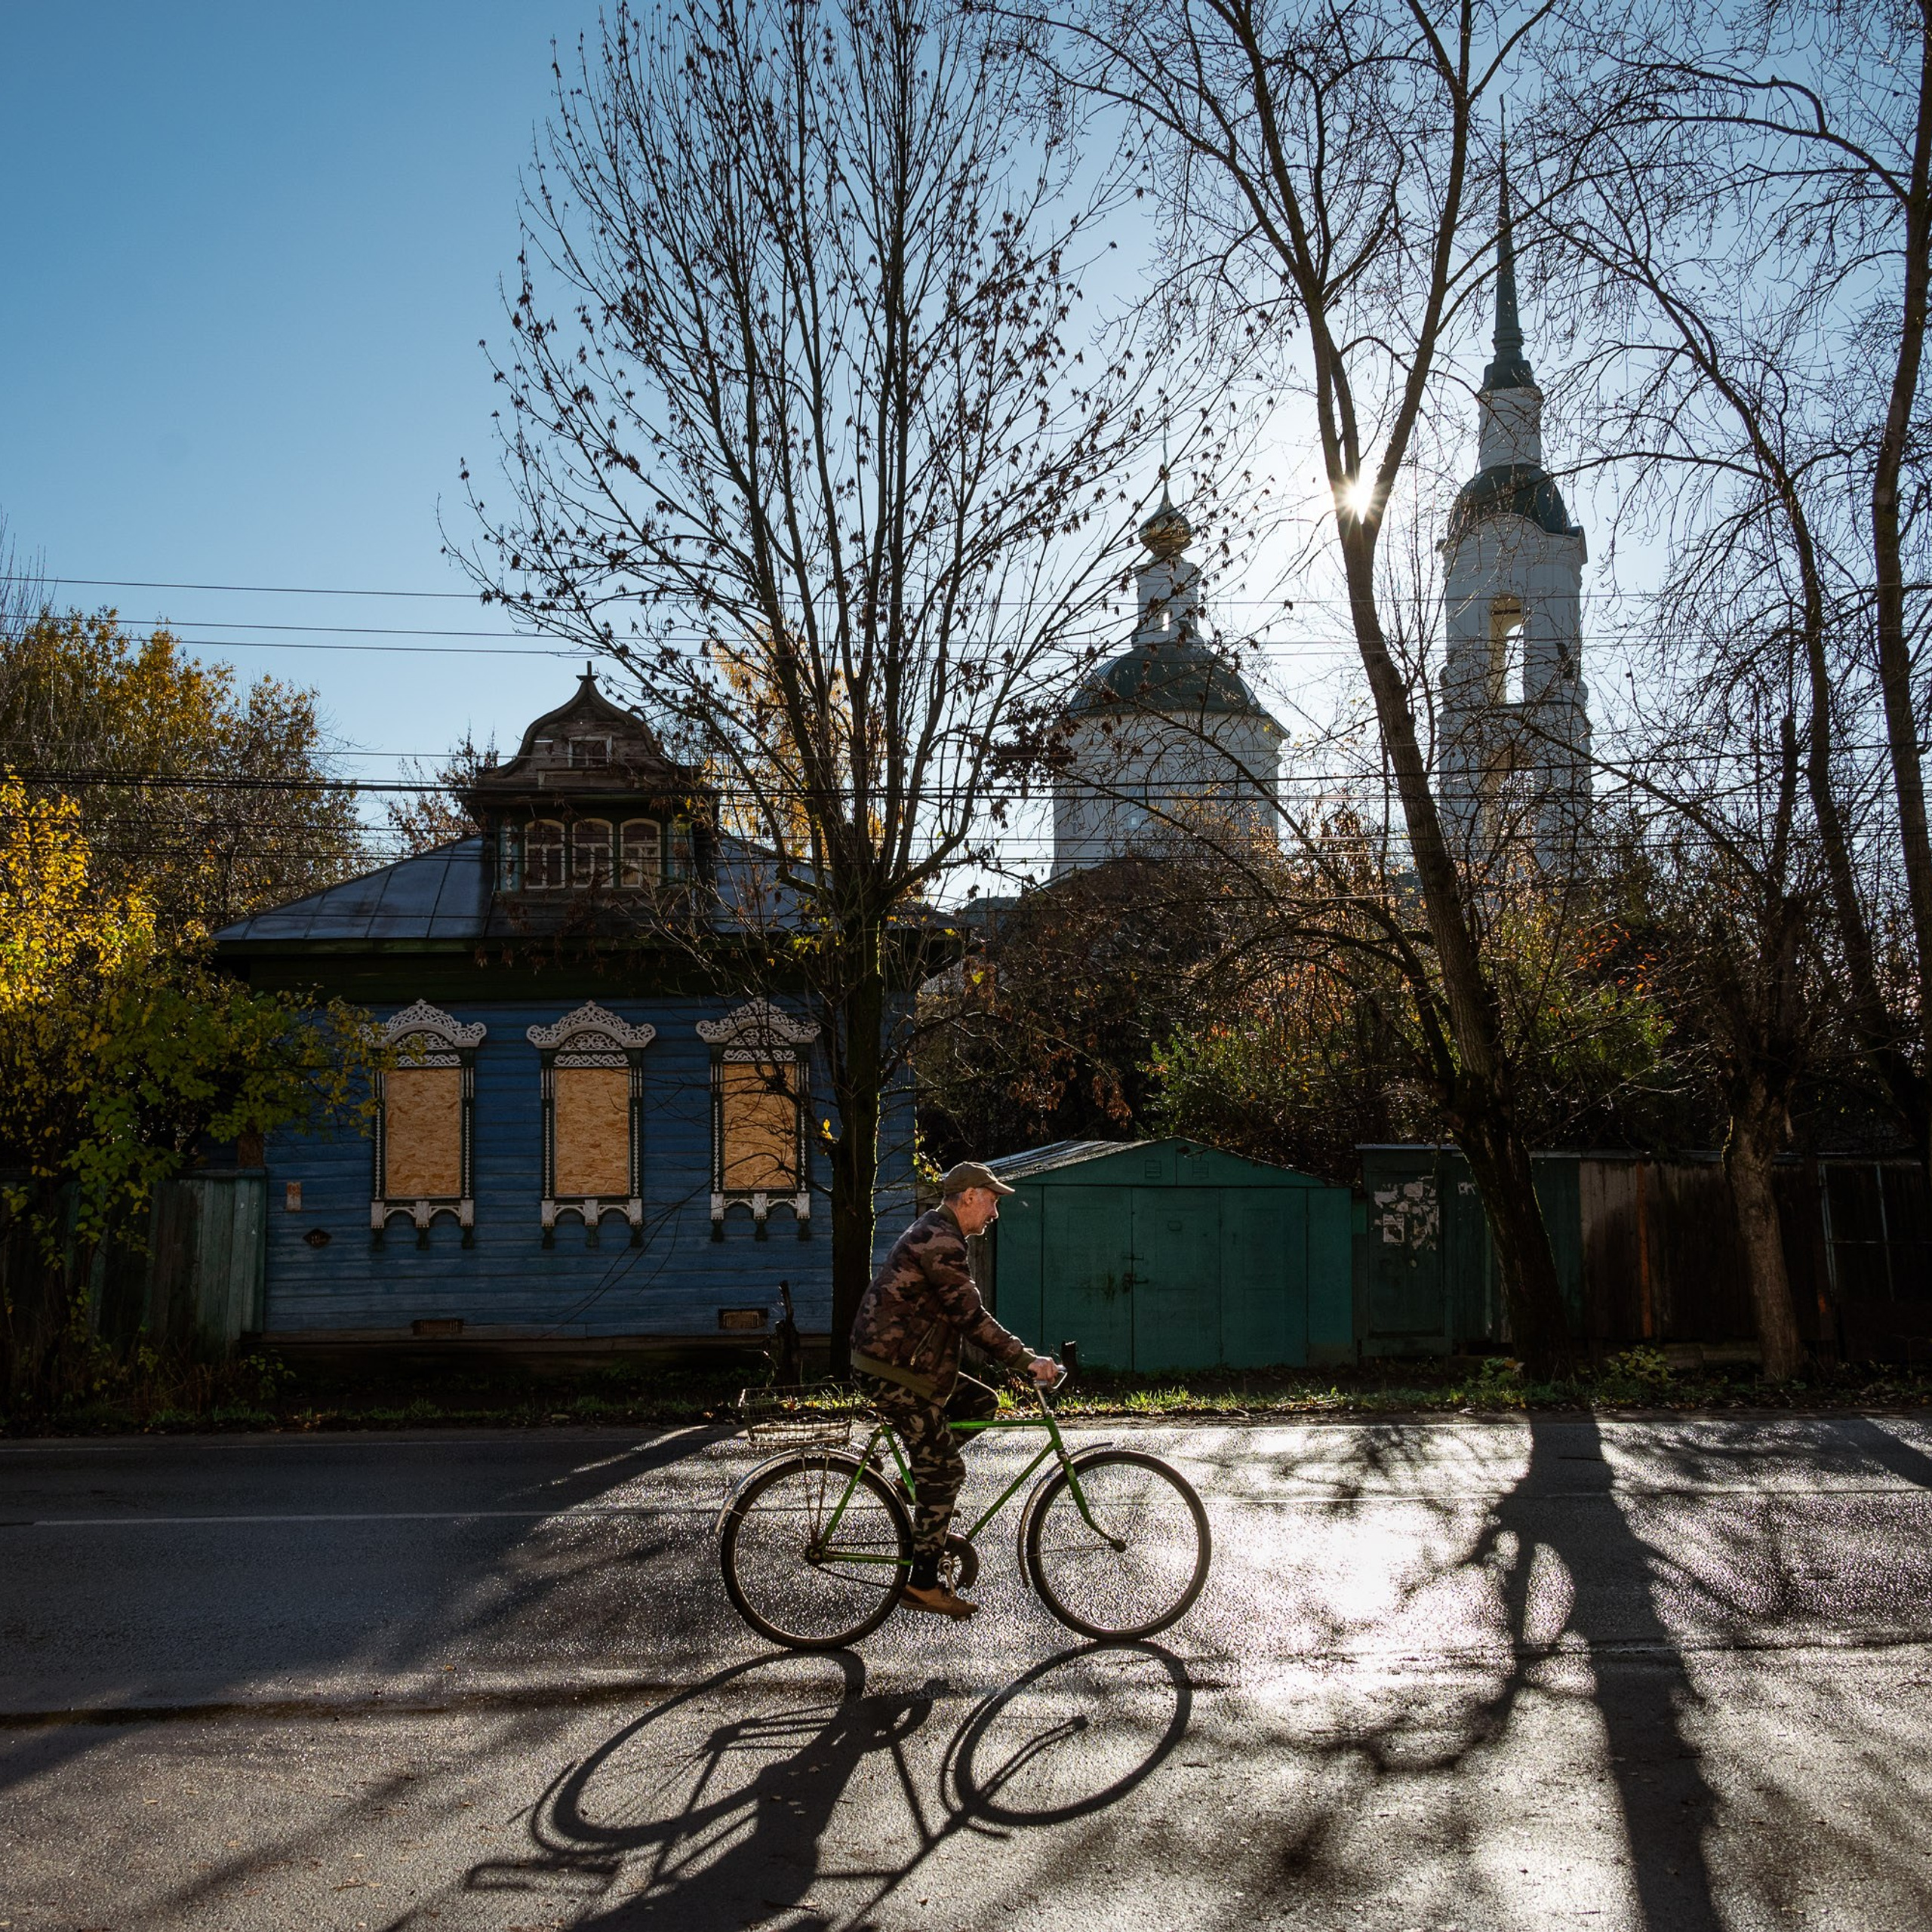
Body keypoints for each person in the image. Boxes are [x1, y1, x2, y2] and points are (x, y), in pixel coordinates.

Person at [850, 1161, 1059, 1619]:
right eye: (992, 1201)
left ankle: (921, 1477)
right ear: (967, 1197)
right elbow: (970, 1316)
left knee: (981, 1400)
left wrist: (1016, 1363)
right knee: (946, 1472)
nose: (995, 1213)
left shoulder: (940, 1232)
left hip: (907, 1364)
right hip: (892, 1369)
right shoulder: (941, 1240)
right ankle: (923, 1584)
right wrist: (1028, 1360)